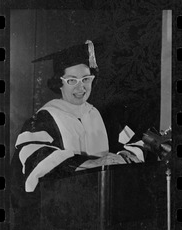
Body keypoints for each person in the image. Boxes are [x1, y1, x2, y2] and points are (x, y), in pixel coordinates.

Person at [11, 40, 145, 201]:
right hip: (61, 207)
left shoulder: (98, 115)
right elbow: (36, 160)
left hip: (104, 202)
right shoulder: (43, 119)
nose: (81, 88)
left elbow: (129, 143)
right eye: (72, 80)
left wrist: (124, 155)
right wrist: (92, 164)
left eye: (86, 79)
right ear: (58, 83)